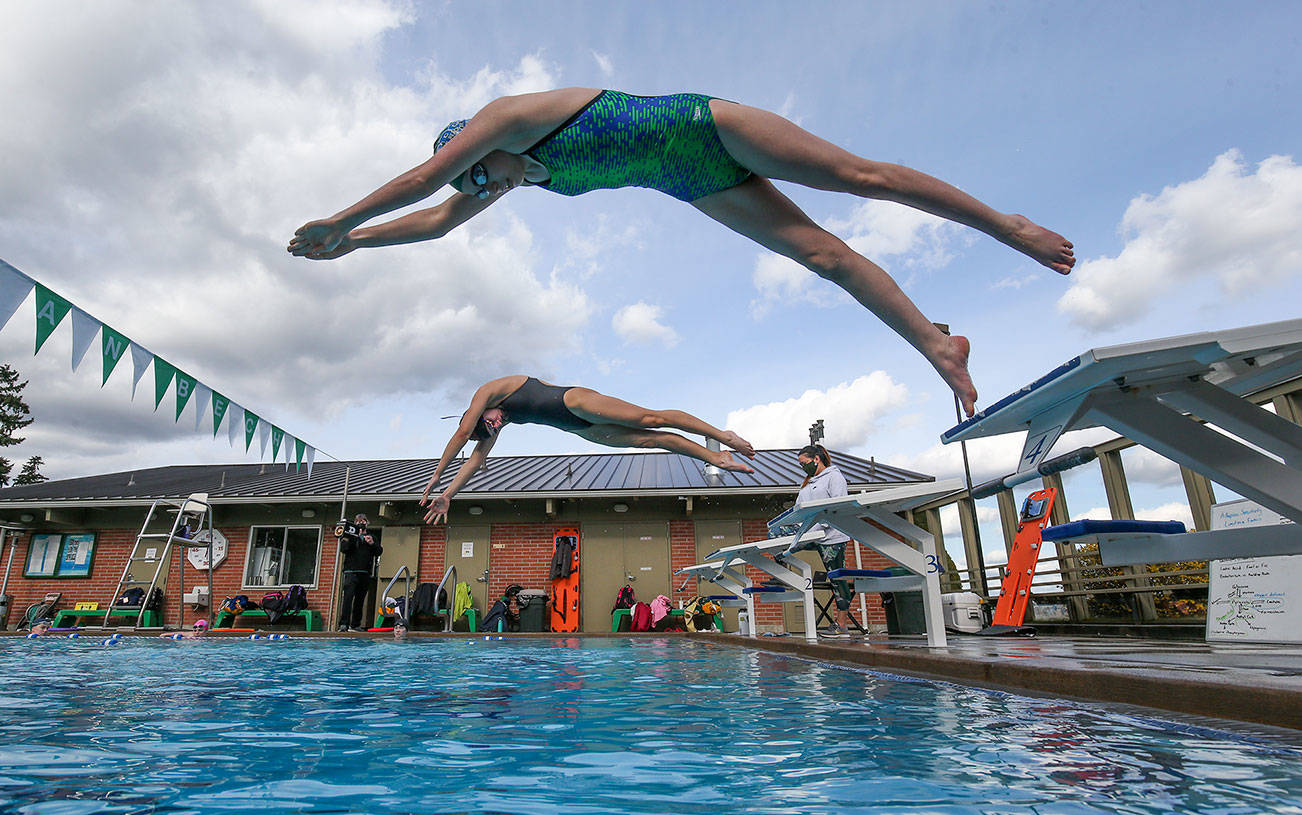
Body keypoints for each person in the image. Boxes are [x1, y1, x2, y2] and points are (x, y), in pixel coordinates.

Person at [287, 88, 1076, 416]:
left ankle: (1005, 226)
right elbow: (434, 222)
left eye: (475, 178)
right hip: (691, 183)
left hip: (706, 127)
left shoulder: (501, 121)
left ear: (471, 149)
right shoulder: (506, 180)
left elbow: (424, 184)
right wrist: (352, 246)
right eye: (478, 186)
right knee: (824, 259)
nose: (481, 191)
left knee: (857, 177)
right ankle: (938, 346)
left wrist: (337, 216)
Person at [418, 375, 755, 525]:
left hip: (574, 402)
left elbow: (464, 435)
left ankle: (720, 435)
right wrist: (449, 493)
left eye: (488, 422)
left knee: (650, 419)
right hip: (578, 427)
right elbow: (476, 459)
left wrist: (435, 476)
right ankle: (714, 457)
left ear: (475, 413)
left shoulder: (487, 394)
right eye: (491, 429)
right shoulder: (496, 421)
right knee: (652, 440)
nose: (495, 425)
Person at [788, 444, 856, 638]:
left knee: (836, 578)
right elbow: (799, 511)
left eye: (804, 463)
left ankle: (841, 624)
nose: (803, 467)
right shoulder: (808, 484)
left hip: (832, 537)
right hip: (811, 534)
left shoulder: (834, 477)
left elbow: (838, 508)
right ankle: (781, 573)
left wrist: (817, 529)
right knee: (777, 533)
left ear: (816, 459)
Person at [338, 513, 383, 632]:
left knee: (360, 600)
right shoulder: (348, 535)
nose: (361, 523)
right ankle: (344, 624)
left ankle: (355, 624)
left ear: (367, 523)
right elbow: (344, 549)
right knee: (348, 598)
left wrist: (372, 543)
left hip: (365, 572)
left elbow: (378, 552)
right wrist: (354, 537)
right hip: (351, 571)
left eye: (363, 521)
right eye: (358, 522)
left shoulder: (372, 537)